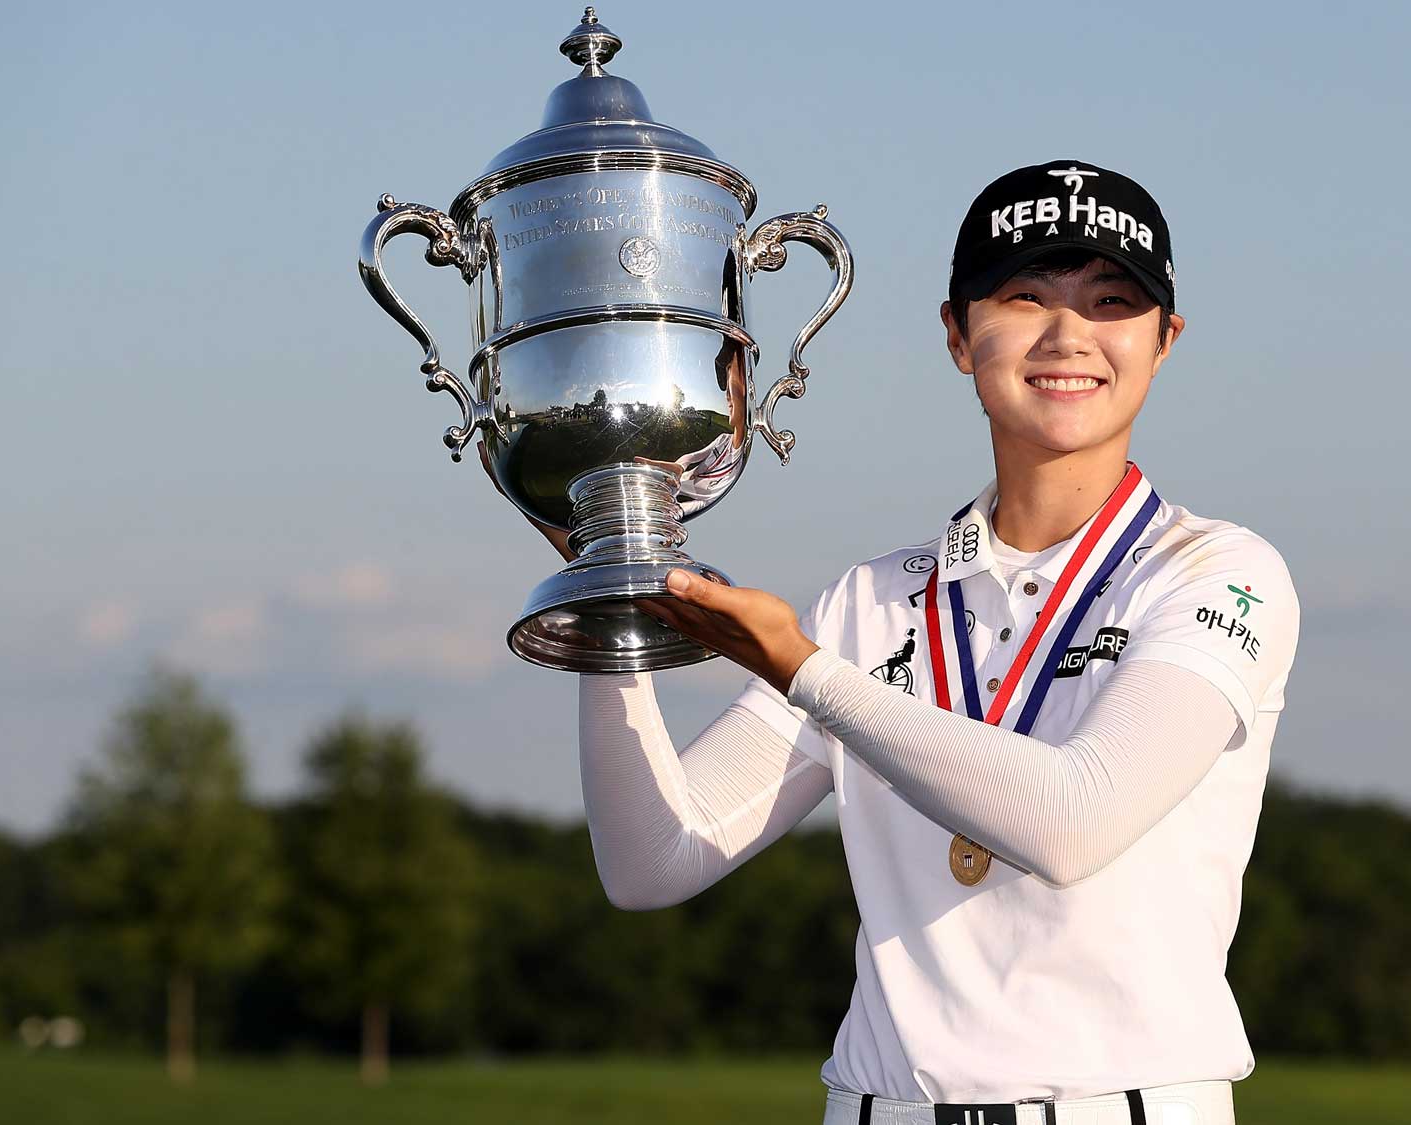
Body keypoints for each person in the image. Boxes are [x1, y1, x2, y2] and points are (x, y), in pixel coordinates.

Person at [524, 159, 1299, 1125]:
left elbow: (1074, 821)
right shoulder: (875, 601)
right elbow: (652, 860)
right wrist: (614, 587)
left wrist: (805, 672)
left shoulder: (1218, 571)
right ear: (956, 333)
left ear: (1164, 339)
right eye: (1024, 295)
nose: (1070, 336)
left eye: (1113, 301)